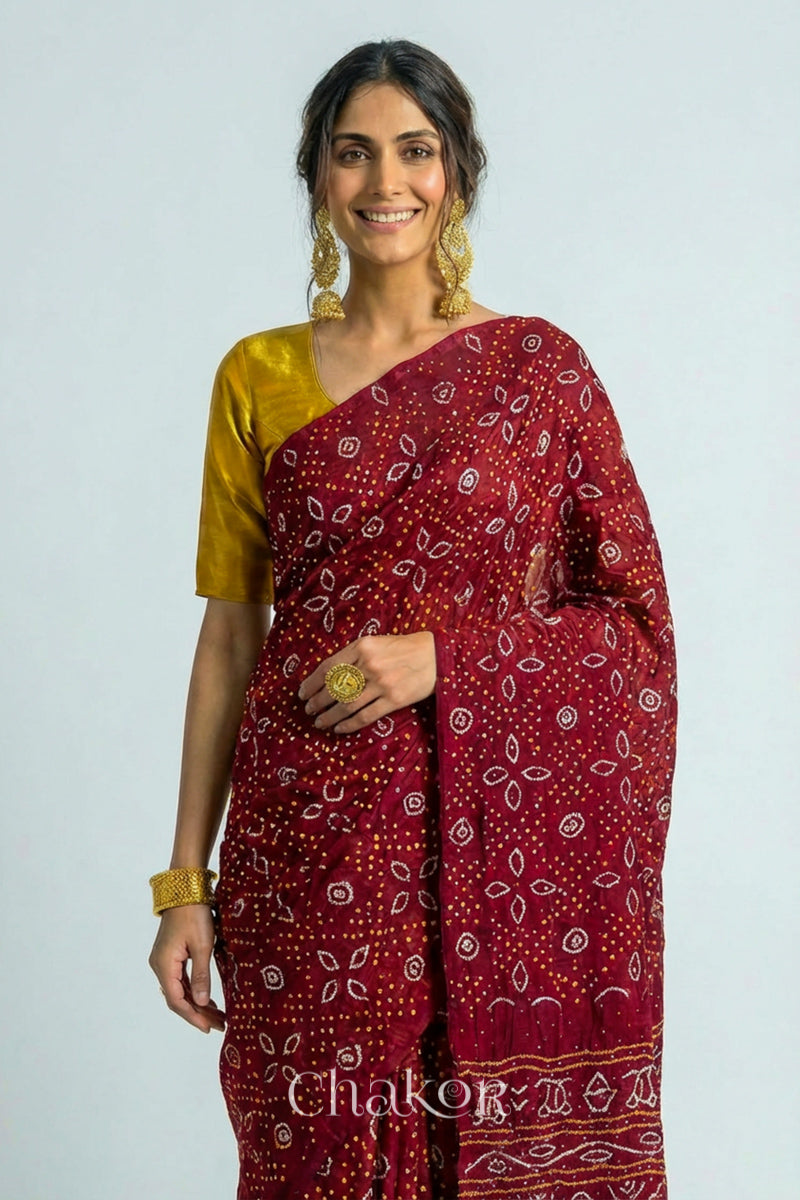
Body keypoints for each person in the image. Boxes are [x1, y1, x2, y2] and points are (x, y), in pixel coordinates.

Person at [148, 38, 678, 1200]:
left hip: (490, 840)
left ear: (456, 174)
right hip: (309, 843)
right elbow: (231, 634)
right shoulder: (257, 375)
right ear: (317, 179)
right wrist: (184, 885)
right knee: (316, 1156)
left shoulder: (540, 374)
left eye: (413, 150)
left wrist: (447, 658)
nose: (383, 181)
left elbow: (632, 633)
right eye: (351, 154)